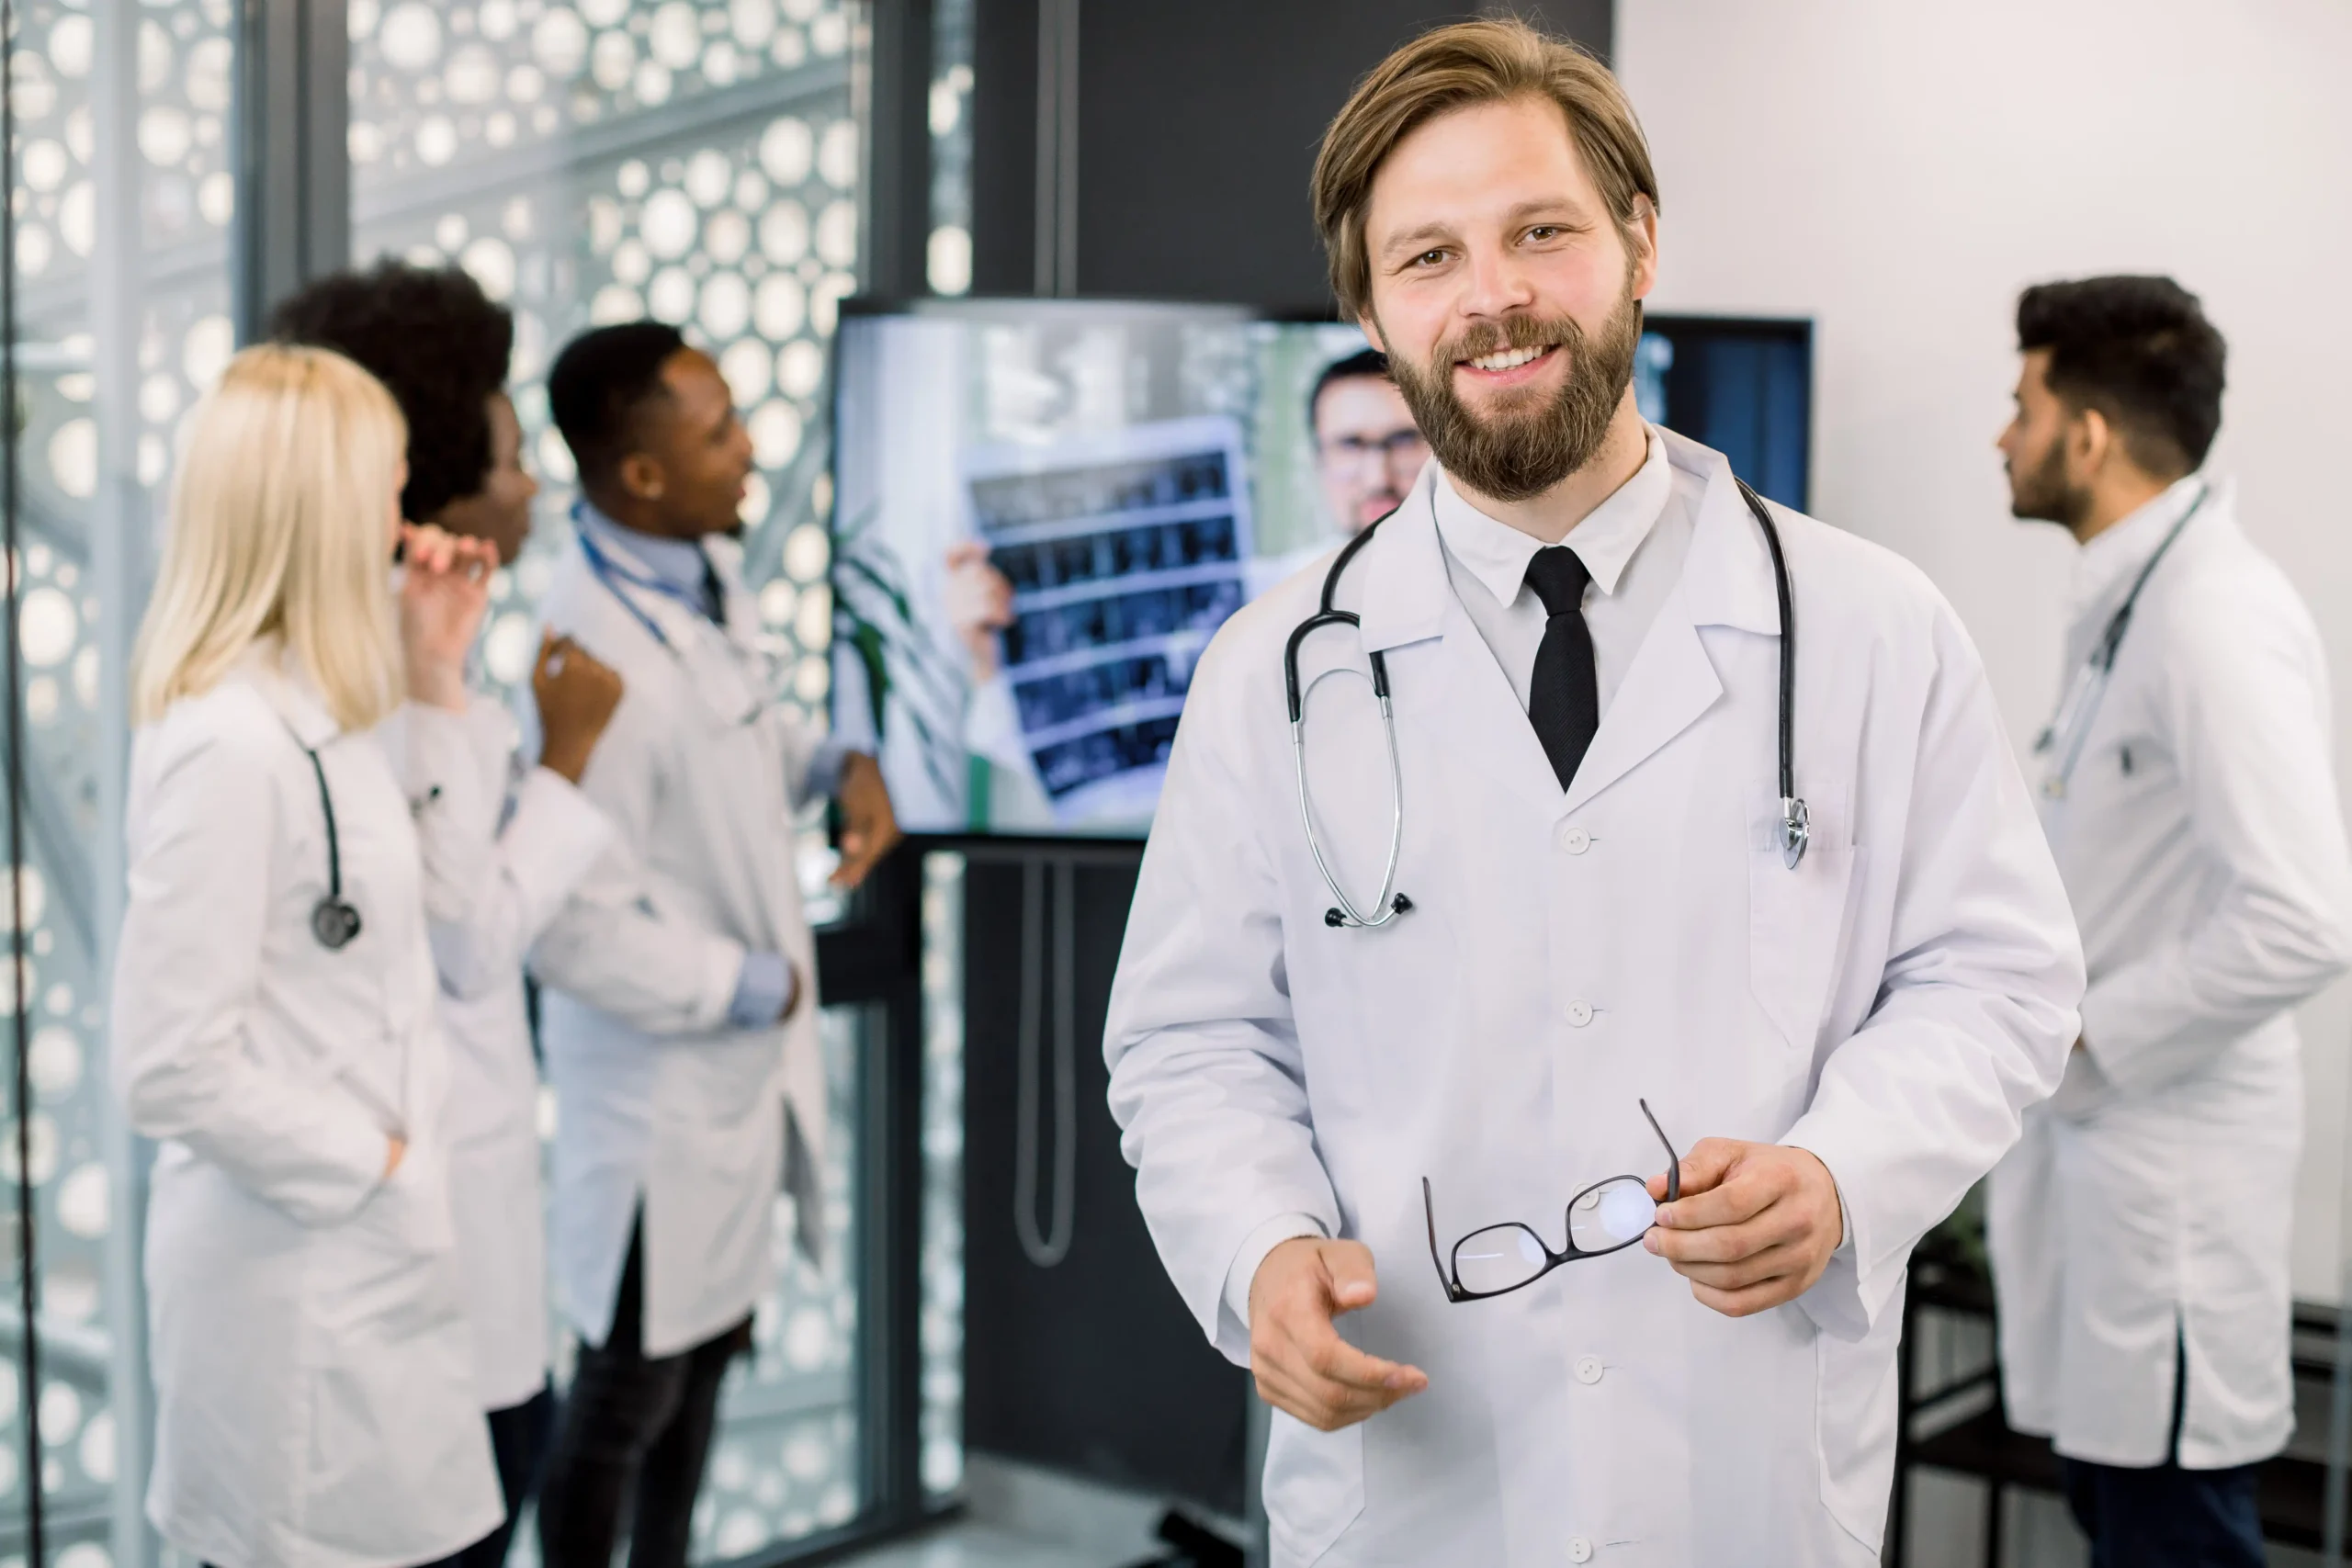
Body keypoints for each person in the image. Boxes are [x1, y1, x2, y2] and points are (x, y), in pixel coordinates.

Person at [1102, 19, 2085, 1565]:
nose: (1491, 296)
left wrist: (1845, 1167)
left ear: (1637, 243)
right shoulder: (1268, 668)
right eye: (1427, 257)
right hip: (1413, 1477)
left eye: (1540, 232)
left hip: (1742, 1470)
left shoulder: (1871, 625)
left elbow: (2002, 974)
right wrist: (1258, 1249)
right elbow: (1192, 1037)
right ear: (1370, 306)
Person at [111, 343, 506, 1568]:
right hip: (297, 1290)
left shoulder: (333, 704)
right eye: (387, 488)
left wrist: (435, 667)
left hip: (371, 1281)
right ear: (323, 507)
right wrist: (375, 1162)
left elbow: (455, 913)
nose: (404, 521)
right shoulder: (227, 744)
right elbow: (167, 1066)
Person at [269, 261, 638, 1568]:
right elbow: (469, 943)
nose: (533, 480)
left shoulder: (420, 642)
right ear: (430, 475)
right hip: (403, 1244)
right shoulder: (375, 673)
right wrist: (568, 759)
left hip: (457, 1228)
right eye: (510, 451)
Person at [523, 321, 903, 1568]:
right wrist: (751, 982)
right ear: (639, 473)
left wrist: (841, 762)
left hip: (730, 1099)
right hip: (655, 1116)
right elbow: (571, 928)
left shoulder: (703, 574)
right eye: (722, 432)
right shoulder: (582, 658)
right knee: (619, 1411)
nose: (750, 451)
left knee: (693, 1398)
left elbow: (746, 742)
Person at [1985, 276, 2352, 1566]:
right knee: (2123, 1513)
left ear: (2087, 432)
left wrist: (2085, 1038)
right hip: (2115, 1179)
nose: (2001, 435)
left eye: (2020, 404)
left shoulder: (2212, 617)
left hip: (2168, 1187)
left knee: (2174, 1535)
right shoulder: (2134, 608)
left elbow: (2303, 918)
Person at [1248, 349, 1433, 596]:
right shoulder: (1270, 598)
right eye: (1350, 445)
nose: (1377, 479)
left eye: (1403, 441)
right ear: (1319, 460)